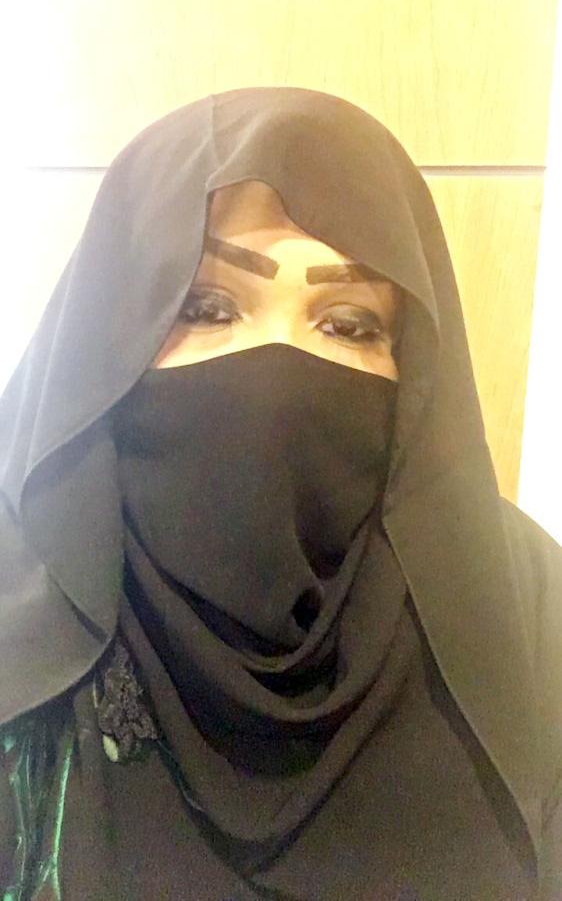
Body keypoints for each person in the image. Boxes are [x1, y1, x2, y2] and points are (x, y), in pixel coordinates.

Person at [0, 86, 560, 901]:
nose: (276, 375)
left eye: (347, 324)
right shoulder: (19, 597)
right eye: (207, 307)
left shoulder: (523, 606)